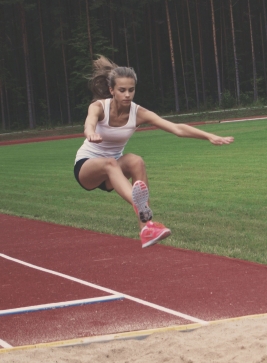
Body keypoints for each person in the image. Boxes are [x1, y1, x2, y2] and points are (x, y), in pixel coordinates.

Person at [74, 56, 234, 248]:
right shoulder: (99, 107)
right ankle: (142, 207)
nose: (127, 95)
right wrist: (90, 133)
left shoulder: (138, 112)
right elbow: (89, 122)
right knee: (110, 162)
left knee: (136, 161)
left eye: (131, 90)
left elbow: (177, 128)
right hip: (87, 167)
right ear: (111, 90)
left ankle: (146, 229)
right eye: (122, 90)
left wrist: (208, 136)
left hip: (114, 173)